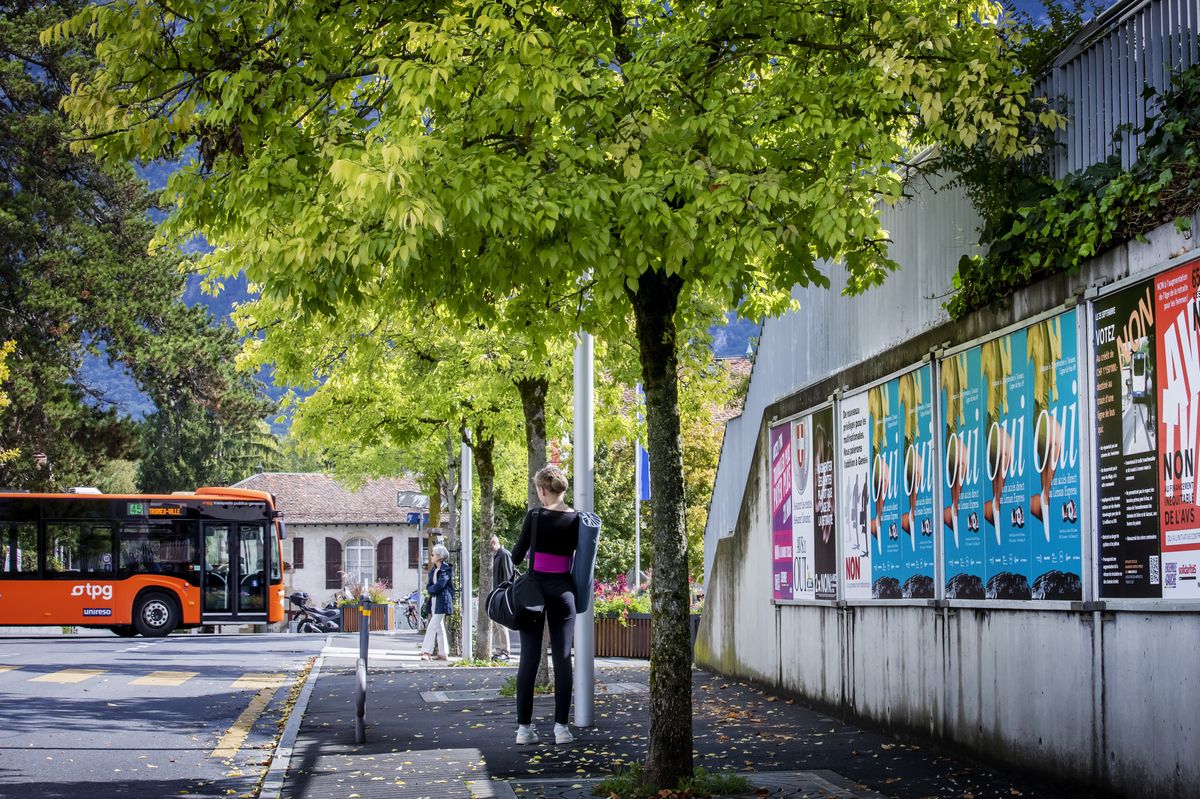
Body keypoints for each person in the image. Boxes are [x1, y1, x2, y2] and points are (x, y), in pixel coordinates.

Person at [511, 465, 578, 746]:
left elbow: (515, 557)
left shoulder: (535, 516)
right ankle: (561, 729)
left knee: (529, 659)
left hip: (534, 592)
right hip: (563, 591)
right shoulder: (577, 519)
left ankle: (524, 730)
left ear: (541, 490)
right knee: (562, 659)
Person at [420, 544, 453, 661]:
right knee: (439, 627)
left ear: (439, 557)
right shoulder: (434, 570)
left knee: (432, 626)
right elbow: (430, 584)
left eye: (433, 554)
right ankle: (443, 653)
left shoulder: (446, 570)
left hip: (442, 601)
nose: (431, 556)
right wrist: (430, 589)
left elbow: (440, 585)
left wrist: (430, 590)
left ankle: (426, 652)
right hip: (434, 601)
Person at [490, 535, 515, 660]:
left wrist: (505, 592)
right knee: (495, 624)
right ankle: (499, 649)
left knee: (500, 623)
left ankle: (505, 651)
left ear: (494, 542)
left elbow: (508, 575)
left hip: (501, 593)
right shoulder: (496, 555)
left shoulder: (504, 554)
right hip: (496, 593)